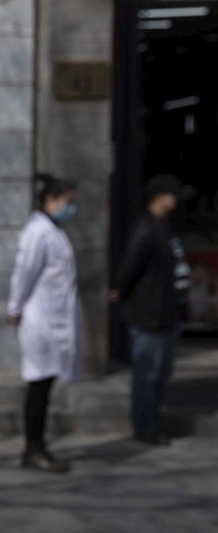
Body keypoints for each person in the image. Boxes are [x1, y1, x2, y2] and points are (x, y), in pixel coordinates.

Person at [109, 174, 192, 445]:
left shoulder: (164, 228)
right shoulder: (147, 229)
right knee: (148, 373)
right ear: (160, 197)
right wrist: (119, 289)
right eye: (172, 195)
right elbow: (130, 265)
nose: (176, 201)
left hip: (166, 312)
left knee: (161, 372)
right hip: (150, 314)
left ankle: (154, 419)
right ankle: (145, 425)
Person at [7, 174, 81, 474]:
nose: (70, 208)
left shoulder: (52, 230)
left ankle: (37, 446)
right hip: (41, 322)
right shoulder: (37, 232)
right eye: (67, 202)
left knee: (45, 385)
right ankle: (33, 449)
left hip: (53, 320)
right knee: (38, 387)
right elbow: (23, 273)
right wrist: (14, 307)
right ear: (50, 201)